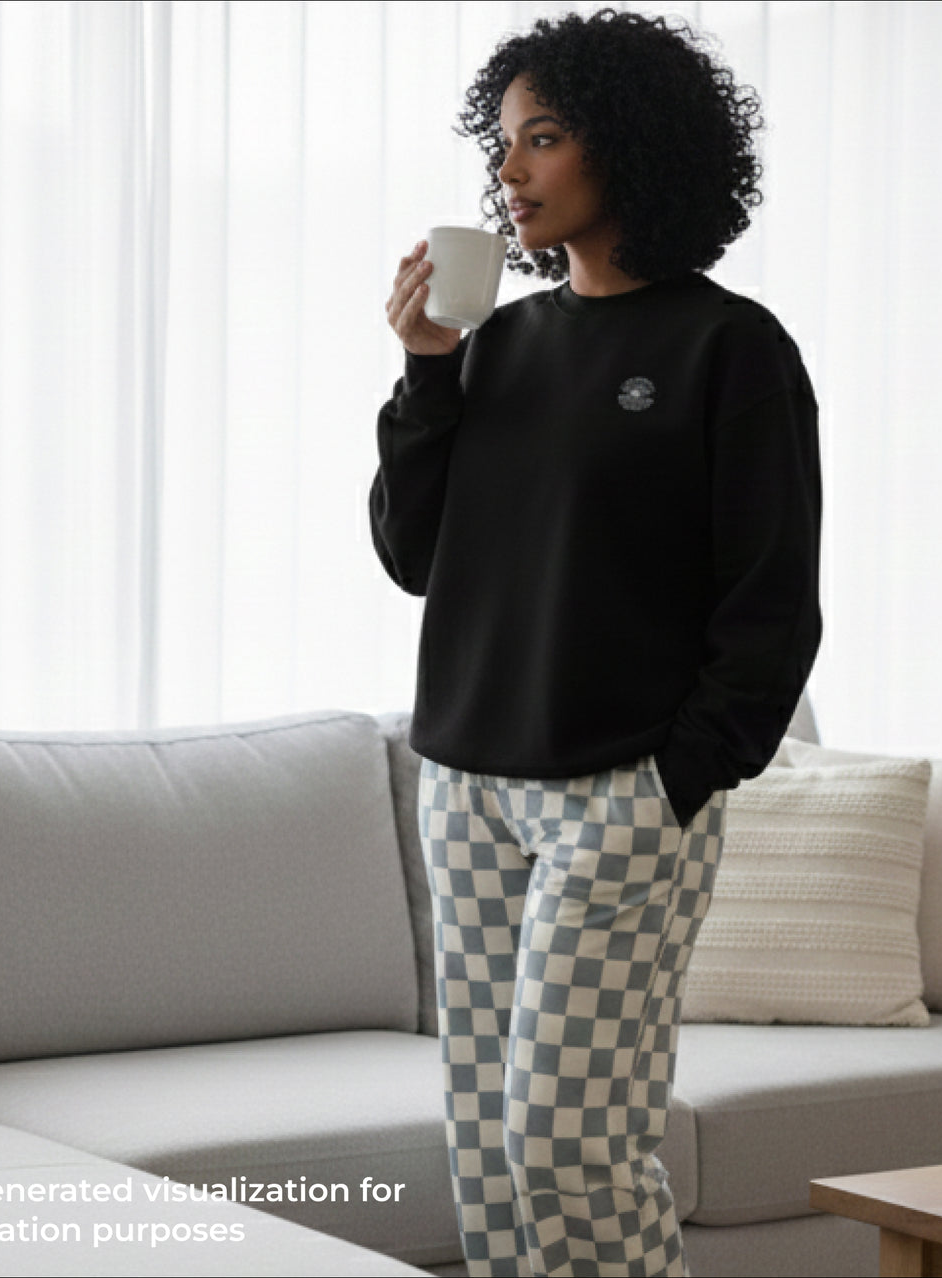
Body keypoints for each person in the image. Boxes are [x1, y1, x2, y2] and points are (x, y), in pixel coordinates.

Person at [371, 9, 822, 1275]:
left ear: (625, 147)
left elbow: (773, 604)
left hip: (619, 798)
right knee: (484, 1144)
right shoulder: (497, 345)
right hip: (463, 789)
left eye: (544, 138)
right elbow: (416, 558)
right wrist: (424, 374)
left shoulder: (728, 349)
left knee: (568, 1143)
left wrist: (678, 778)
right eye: (502, 144)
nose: (507, 171)